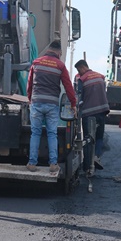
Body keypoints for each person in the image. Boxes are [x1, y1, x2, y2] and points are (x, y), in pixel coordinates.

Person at [26, 40, 77, 173]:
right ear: (59, 52)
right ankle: (53, 164)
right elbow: (68, 87)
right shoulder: (60, 66)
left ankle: (32, 163)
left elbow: (29, 84)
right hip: (52, 104)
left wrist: (30, 98)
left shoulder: (36, 63)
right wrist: (73, 104)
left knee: (35, 133)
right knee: (52, 133)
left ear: (49, 49)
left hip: (36, 102)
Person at [74, 59, 110, 176]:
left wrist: (76, 110)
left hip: (89, 113)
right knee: (99, 137)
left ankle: (87, 167)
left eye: (79, 70)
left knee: (88, 140)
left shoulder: (82, 79)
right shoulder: (101, 77)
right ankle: (96, 157)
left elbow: (79, 97)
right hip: (102, 111)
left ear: (83, 67)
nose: (79, 73)